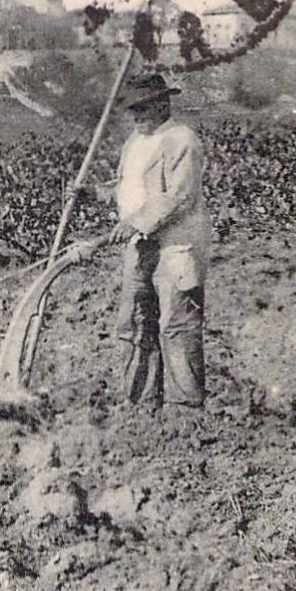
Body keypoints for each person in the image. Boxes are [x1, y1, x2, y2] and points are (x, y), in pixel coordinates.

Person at [89, 72, 211, 406]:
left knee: (177, 324)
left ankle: (186, 407)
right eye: (132, 110)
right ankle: (140, 401)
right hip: (140, 245)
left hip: (176, 245)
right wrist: (93, 194)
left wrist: (137, 221)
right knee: (134, 322)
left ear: (163, 104)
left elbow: (178, 196)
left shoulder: (181, 140)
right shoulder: (135, 142)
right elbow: (127, 186)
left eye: (143, 108)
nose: (136, 116)